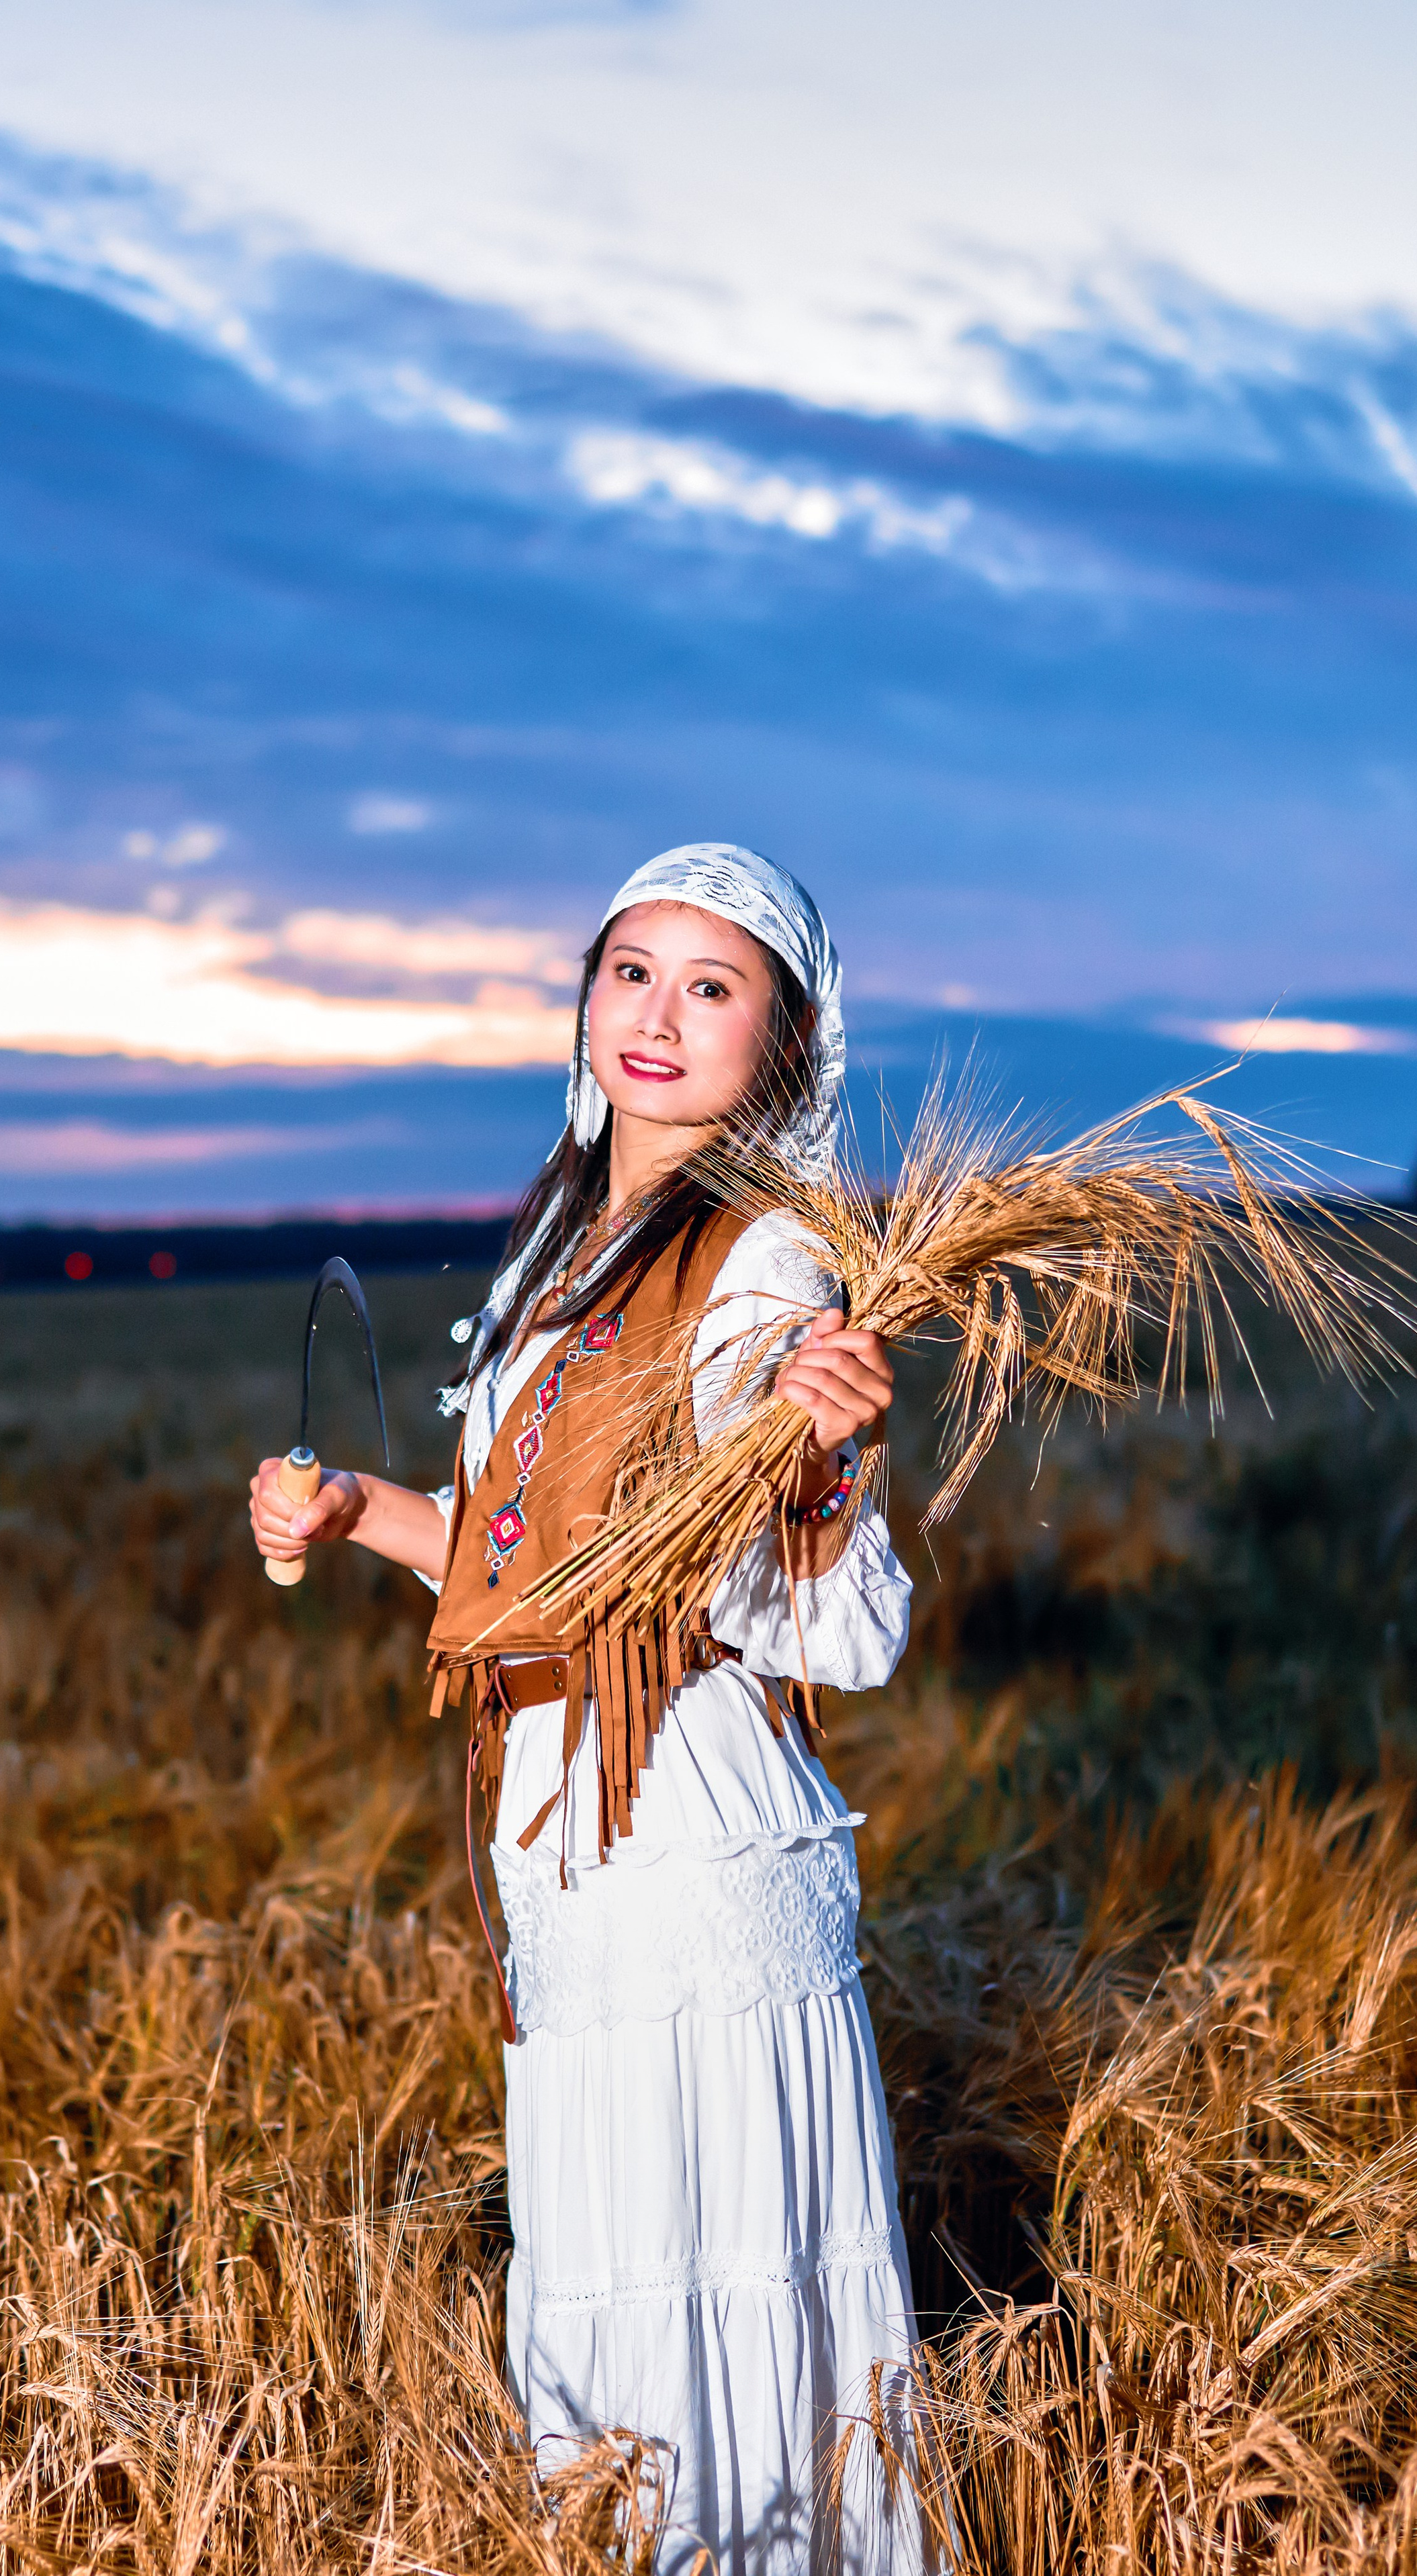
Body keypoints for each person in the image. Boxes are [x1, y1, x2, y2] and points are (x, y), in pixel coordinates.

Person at [251, 845, 924, 2573]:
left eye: (712, 987)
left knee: (695, 2262)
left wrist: (826, 1463)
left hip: (679, 1825)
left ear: (782, 1043)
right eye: (633, 969)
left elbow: (833, 1628)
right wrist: (356, 1510)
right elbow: (523, 1564)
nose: (658, 1015)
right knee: (616, 2261)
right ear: (585, 993)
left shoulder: (763, 1259)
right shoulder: (568, 1243)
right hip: (561, 1829)